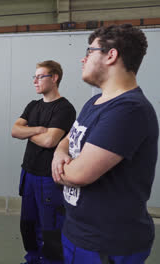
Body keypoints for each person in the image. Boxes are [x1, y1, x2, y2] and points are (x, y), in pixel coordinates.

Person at [52, 24, 158, 264]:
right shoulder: (95, 102)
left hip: (107, 243)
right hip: (78, 232)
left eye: (89, 51)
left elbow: (79, 174)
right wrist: (59, 154)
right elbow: (67, 139)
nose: (83, 58)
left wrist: (59, 167)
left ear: (111, 55)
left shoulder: (129, 109)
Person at [11, 60, 76, 264]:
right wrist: (37, 130)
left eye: (40, 76)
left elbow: (50, 141)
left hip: (48, 178)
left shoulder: (65, 109)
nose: (35, 81)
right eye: (34, 77)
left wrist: (27, 132)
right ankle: (32, 259)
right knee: (28, 224)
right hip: (28, 173)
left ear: (54, 78)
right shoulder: (33, 105)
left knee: (50, 227)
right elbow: (14, 130)